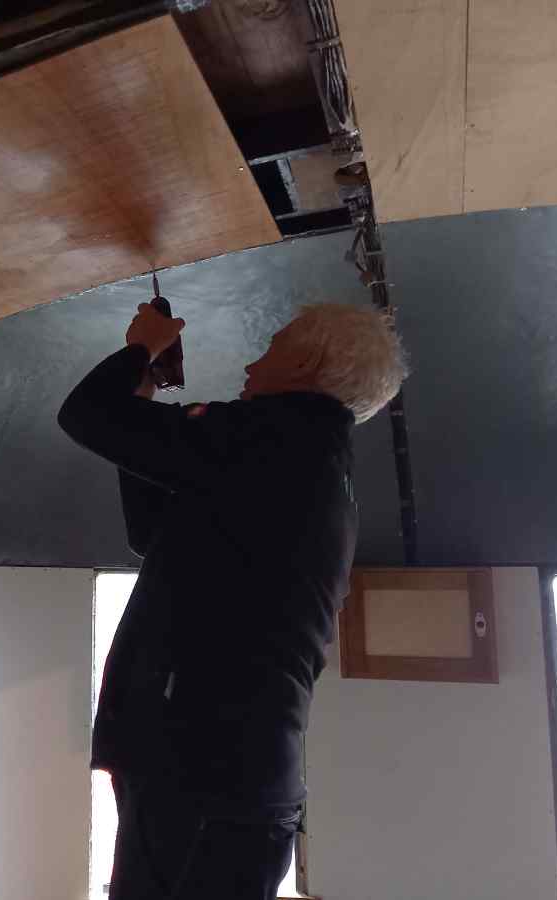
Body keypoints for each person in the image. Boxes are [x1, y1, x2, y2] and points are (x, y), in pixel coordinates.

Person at [57, 301, 407, 900]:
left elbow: (86, 414)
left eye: (272, 347)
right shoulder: (311, 462)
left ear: (308, 362)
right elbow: (153, 532)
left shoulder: (276, 438)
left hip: (202, 774)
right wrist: (141, 395)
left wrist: (142, 347)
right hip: (226, 780)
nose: (251, 364)